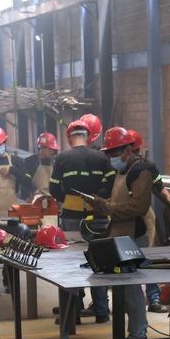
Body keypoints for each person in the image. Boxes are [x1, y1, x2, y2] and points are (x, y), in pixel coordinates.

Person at [82, 126, 154, 338]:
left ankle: (138, 332)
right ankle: (127, 332)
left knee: (132, 288)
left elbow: (138, 207)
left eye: (114, 153)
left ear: (128, 150)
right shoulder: (122, 171)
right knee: (121, 288)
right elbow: (118, 202)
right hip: (120, 234)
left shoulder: (142, 172)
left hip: (134, 234)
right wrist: (100, 203)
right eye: (109, 153)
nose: (112, 157)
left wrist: (107, 207)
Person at [49, 120, 113, 323]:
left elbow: (54, 188)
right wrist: (97, 197)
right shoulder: (101, 157)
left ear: (69, 137)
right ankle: (102, 312)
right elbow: (111, 183)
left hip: (72, 214)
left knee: (72, 263)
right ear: (87, 137)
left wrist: (67, 199)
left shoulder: (63, 158)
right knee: (100, 260)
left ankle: (73, 311)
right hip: (98, 215)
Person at [125, 129, 170, 314]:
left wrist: (168, 196)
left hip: (142, 218)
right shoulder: (115, 169)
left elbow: (159, 185)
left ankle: (154, 297)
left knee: (145, 257)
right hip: (121, 218)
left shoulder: (146, 167)